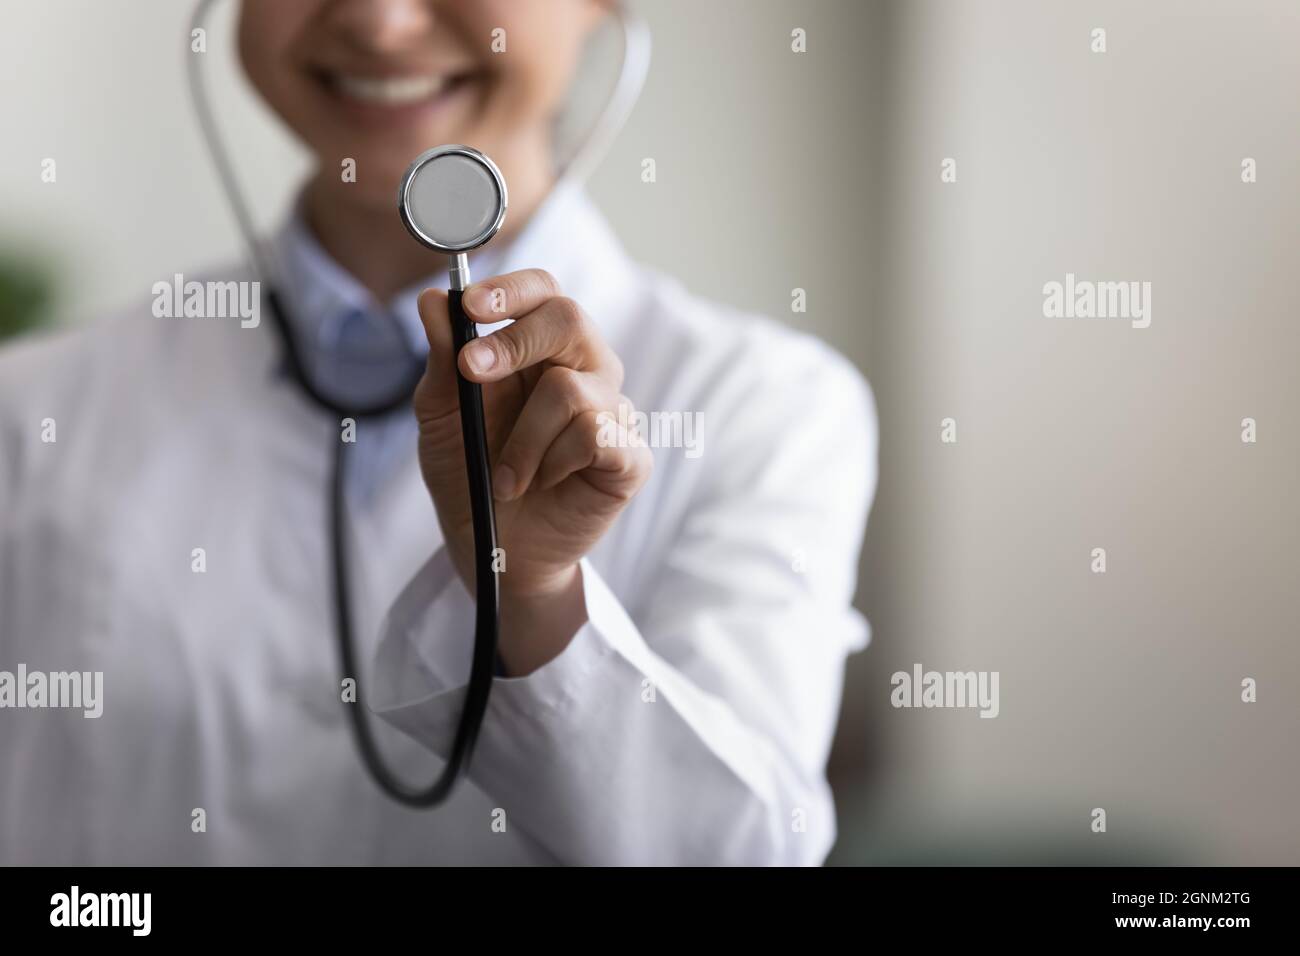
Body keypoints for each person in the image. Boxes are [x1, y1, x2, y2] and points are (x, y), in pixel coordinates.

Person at [0, 0, 876, 865]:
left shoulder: (765, 407)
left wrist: (530, 596)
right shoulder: (31, 405)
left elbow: (732, 853)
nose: (381, 23)